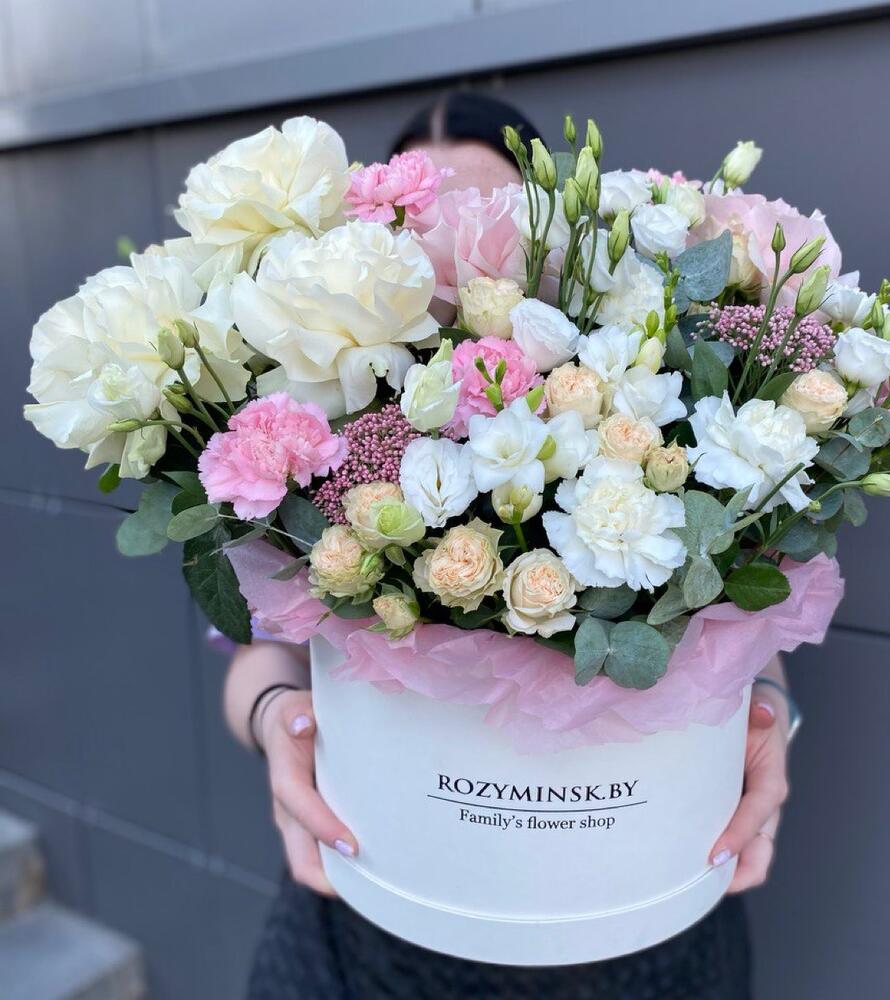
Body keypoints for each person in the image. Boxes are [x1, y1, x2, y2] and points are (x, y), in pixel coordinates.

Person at [226, 91, 797, 1000]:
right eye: (429, 226)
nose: (460, 252)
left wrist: (768, 720)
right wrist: (276, 722)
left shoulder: (644, 386)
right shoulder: (323, 421)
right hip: (373, 925)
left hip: (647, 934)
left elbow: (737, 635)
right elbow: (260, 654)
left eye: (488, 216)